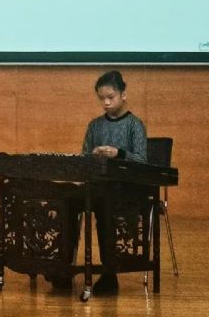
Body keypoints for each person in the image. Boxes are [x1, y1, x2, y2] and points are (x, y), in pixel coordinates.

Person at [81, 70, 147, 295]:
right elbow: (83, 157)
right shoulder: (95, 125)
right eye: (102, 98)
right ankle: (62, 269)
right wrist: (93, 156)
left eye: (111, 97)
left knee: (105, 207)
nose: (106, 103)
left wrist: (118, 153)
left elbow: (142, 160)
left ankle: (109, 273)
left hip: (125, 189)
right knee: (66, 202)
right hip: (98, 186)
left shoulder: (134, 125)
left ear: (123, 95)